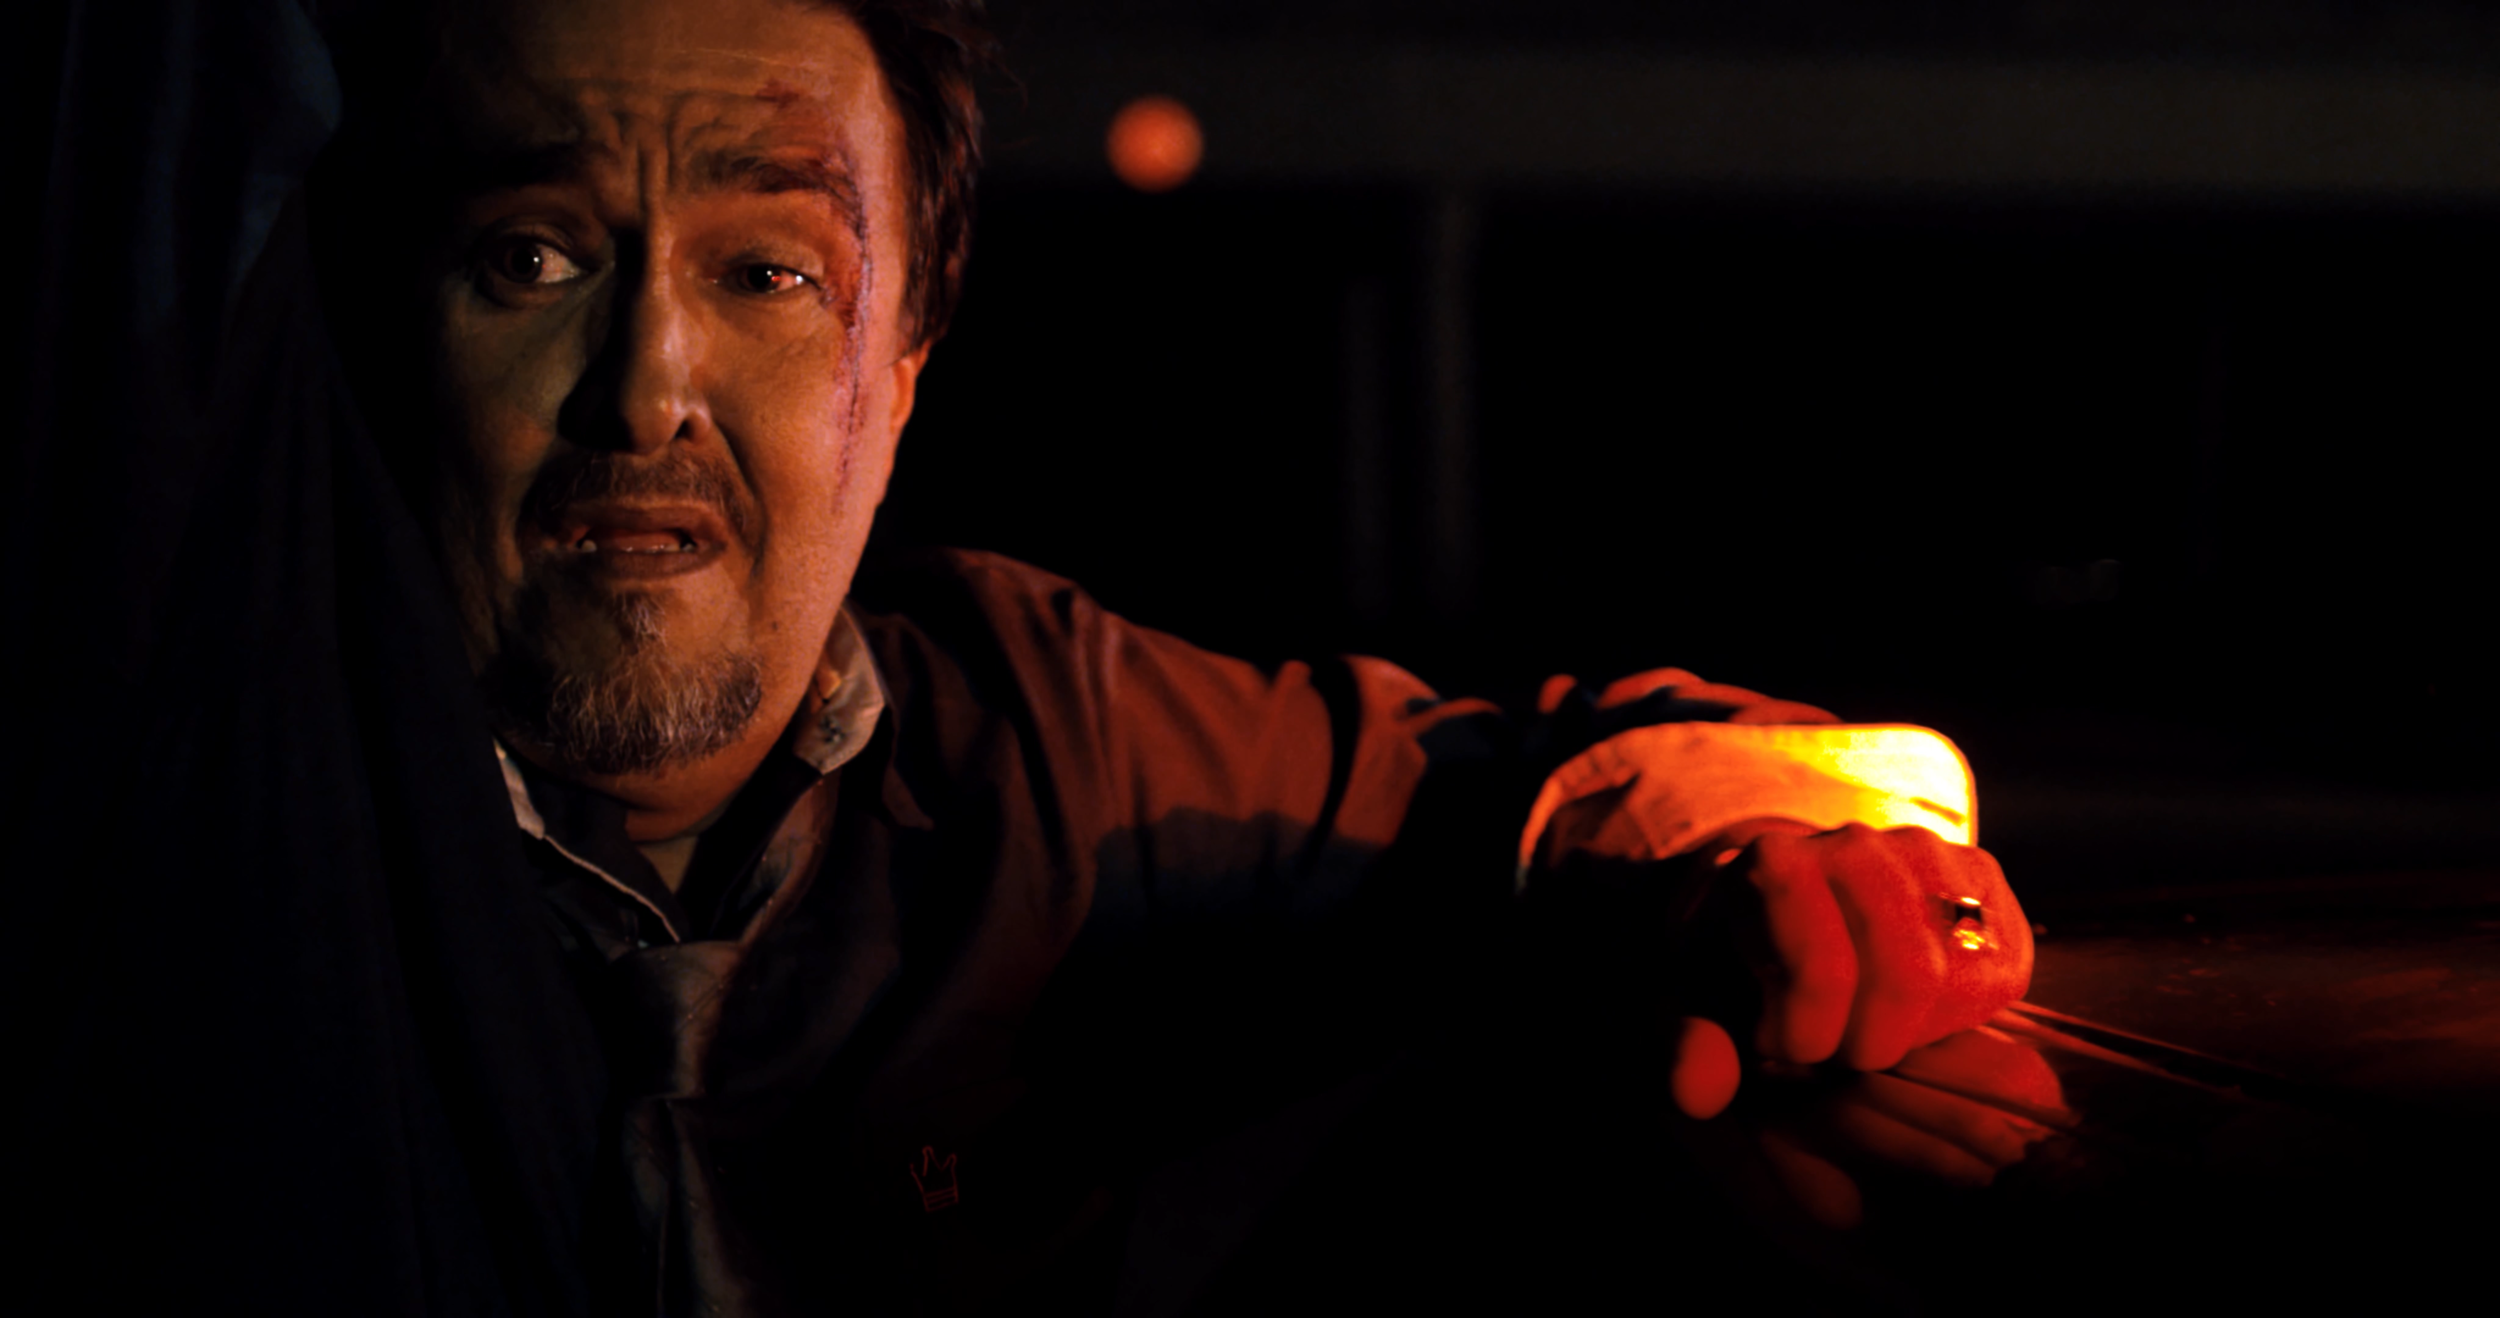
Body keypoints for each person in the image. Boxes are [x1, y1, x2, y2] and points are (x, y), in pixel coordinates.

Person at [13, 0, 2058, 1312]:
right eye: (531, 257)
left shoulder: (1034, 733)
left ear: (904, 363)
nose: (644, 382)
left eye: (767, 269)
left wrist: (1752, 882)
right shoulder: (201, 759)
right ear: (379, 332)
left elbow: (1535, 785)